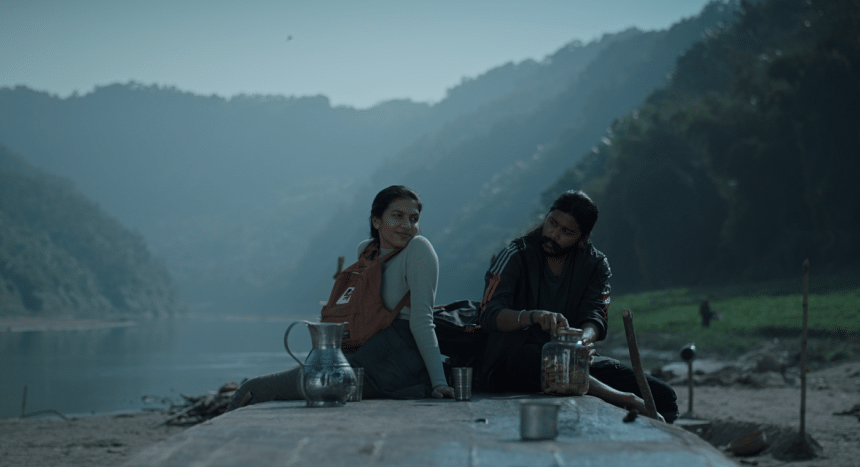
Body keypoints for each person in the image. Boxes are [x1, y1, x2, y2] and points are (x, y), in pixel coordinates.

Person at [227, 185, 454, 411]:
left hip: (392, 366)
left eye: (414, 219)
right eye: (398, 216)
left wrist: (439, 383)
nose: (407, 225)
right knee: (253, 390)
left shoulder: (418, 249)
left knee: (254, 389)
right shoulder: (367, 251)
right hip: (359, 356)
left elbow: (422, 321)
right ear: (377, 221)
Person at [477, 190, 678, 422]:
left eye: (566, 232)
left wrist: (581, 343)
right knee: (538, 358)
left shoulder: (595, 264)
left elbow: (595, 315)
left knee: (663, 397)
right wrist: (533, 316)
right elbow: (489, 313)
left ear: (582, 238)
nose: (553, 234)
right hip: (511, 362)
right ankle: (626, 399)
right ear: (547, 216)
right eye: (552, 223)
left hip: (572, 359)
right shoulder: (515, 255)